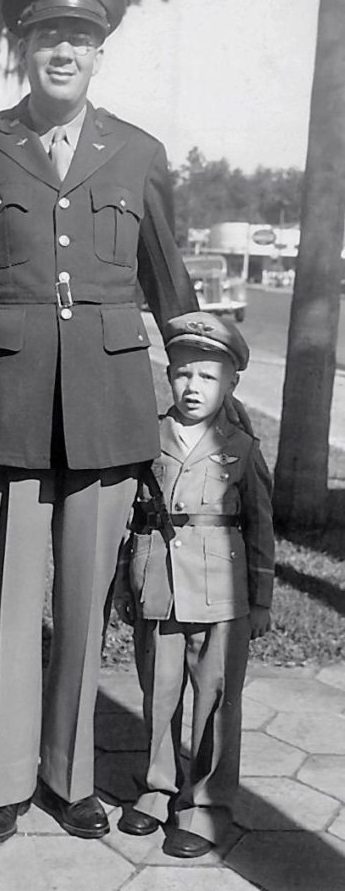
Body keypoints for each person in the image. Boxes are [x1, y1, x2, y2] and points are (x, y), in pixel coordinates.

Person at [0, 0, 198, 846]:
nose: (63, 51)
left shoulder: (141, 153)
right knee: (8, 595)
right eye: (48, 36)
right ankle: (4, 780)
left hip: (109, 403)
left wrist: (201, 401)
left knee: (84, 600)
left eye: (79, 37)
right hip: (3, 399)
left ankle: (68, 777)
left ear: (98, 52)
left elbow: (169, 285)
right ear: (24, 46)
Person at [113, 311, 275, 856]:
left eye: (208, 376)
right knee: (158, 696)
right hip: (157, 584)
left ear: (231, 383)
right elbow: (127, 518)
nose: (193, 387)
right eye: (183, 373)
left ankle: (204, 805)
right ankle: (157, 790)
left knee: (214, 701)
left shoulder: (242, 448)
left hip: (222, 593)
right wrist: (121, 585)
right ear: (168, 376)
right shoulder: (145, 437)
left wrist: (262, 600)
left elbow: (260, 530)